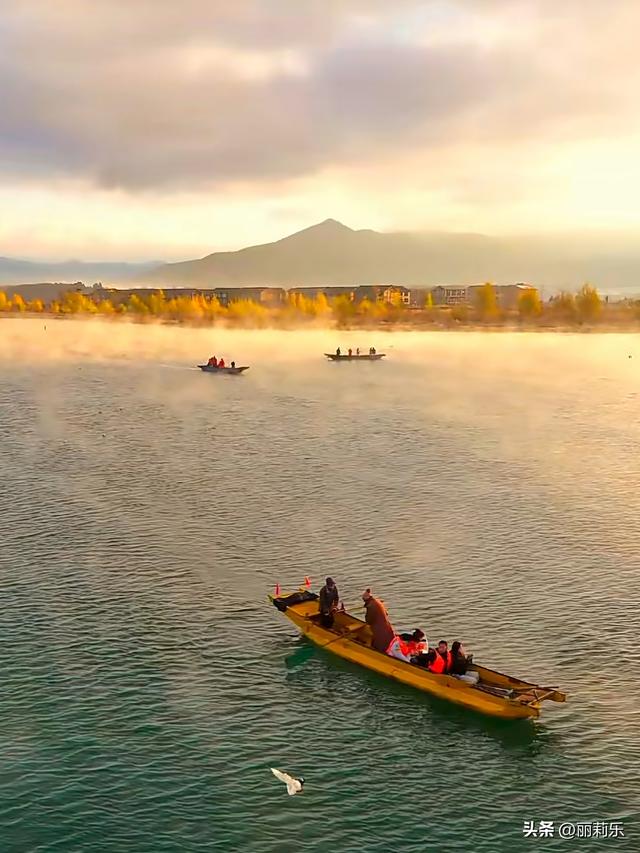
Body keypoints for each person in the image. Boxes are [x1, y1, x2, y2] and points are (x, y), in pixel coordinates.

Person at [362, 588, 395, 653]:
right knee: (389, 639)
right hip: (386, 626)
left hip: (379, 629)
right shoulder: (378, 602)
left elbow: (369, 620)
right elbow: (386, 613)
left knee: (380, 643)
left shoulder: (371, 606)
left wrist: (367, 609)